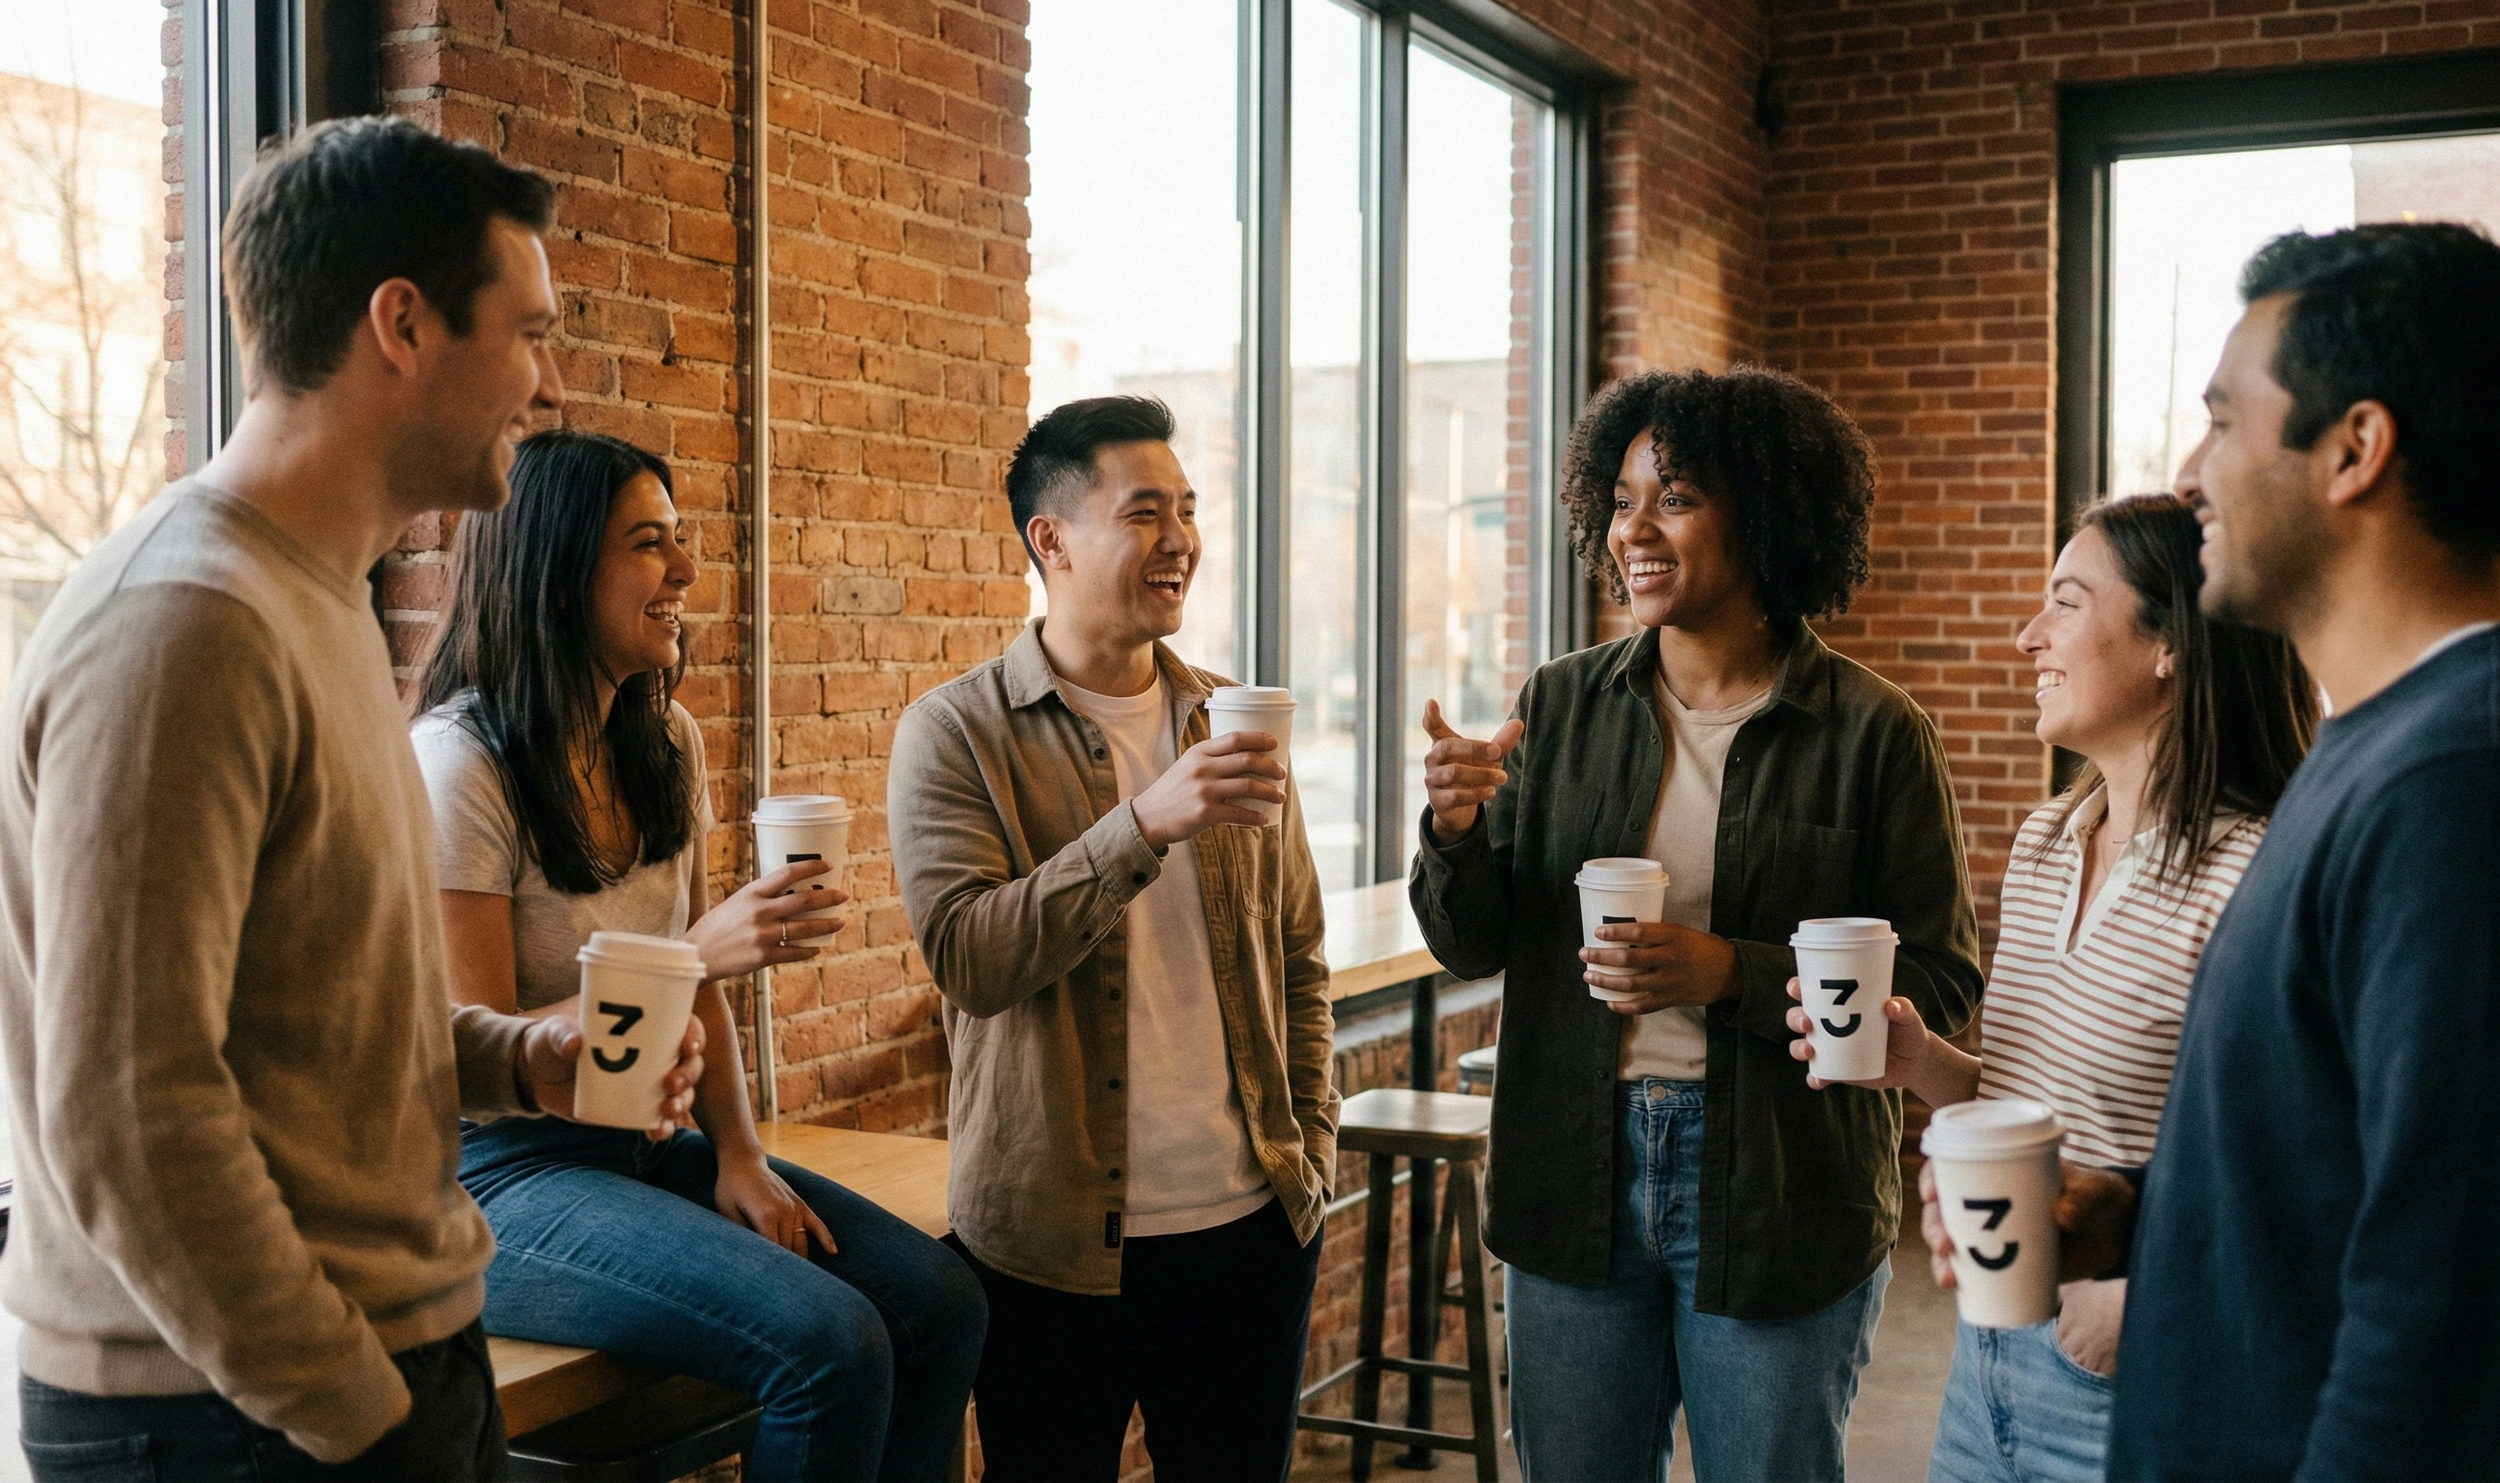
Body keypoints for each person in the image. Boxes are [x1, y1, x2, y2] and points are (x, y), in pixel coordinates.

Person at [0, 117, 705, 1480]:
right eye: (529, 331)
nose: (549, 386)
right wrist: (352, 1409)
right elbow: (130, 1117)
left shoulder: (313, 595)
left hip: (365, 1373)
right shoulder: (185, 623)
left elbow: (304, 1016)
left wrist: (513, 1055)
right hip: (244, 1412)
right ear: (403, 324)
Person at [1921, 222, 2500, 1477]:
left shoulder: (2451, 785)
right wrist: (2124, 1206)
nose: (2190, 476)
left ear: (2354, 449)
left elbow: (2434, 1298)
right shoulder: (2373, 755)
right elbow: (2315, 1172)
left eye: (2224, 423)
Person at [1412, 365, 1985, 1480]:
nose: (1636, 528)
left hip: (1779, 1185)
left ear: (1764, 512)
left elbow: (1940, 980)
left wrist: (1732, 972)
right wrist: (1453, 829)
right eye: (1621, 499)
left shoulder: (1875, 734)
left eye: (1673, 496)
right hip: (1572, 1170)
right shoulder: (1563, 702)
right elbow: (1472, 942)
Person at [411, 429, 986, 1482]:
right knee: (831, 1344)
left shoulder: (663, 736)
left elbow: (703, 996)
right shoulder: (460, 764)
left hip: (639, 1145)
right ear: (555, 571)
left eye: (679, 540)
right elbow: (481, 1064)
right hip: (494, 1177)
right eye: (648, 543)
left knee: (939, 1301)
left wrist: (738, 1154)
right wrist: (691, 954)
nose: (684, 571)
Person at [1786, 493, 2314, 1482]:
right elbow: (2038, 1107)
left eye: (2065, 603)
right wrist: (1920, 1062)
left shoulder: (2256, 873)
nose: (2028, 635)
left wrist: (2124, 1307)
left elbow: (2286, 1165)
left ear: (2170, 645)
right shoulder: (2043, 844)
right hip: (1987, 1352)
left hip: (2138, 1372)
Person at [888, 395, 1337, 1482]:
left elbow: (1297, 952)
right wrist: (1142, 823)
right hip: (1045, 1248)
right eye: (1144, 512)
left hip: (1248, 1229)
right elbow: (971, 959)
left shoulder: (1229, 715)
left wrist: (1309, 1151)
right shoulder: (955, 733)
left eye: (1185, 508)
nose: (1180, 537)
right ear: (1050, 540)